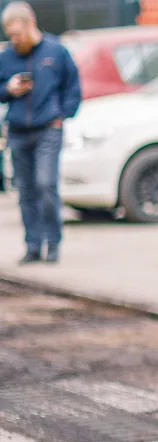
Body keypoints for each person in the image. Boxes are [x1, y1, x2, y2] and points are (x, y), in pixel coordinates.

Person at [0, 1, 82, 264]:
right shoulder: (5, 57)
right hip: (18, 131)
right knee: (25, 191)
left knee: (46, 185)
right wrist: (8, 89)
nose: (14, 40)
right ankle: (33, 246)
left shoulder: (56, 51)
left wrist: (62, 115)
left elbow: (73, 87)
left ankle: (53, 242)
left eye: (18, 34)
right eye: (10, 36)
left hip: (48, 129)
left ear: (31, 24)